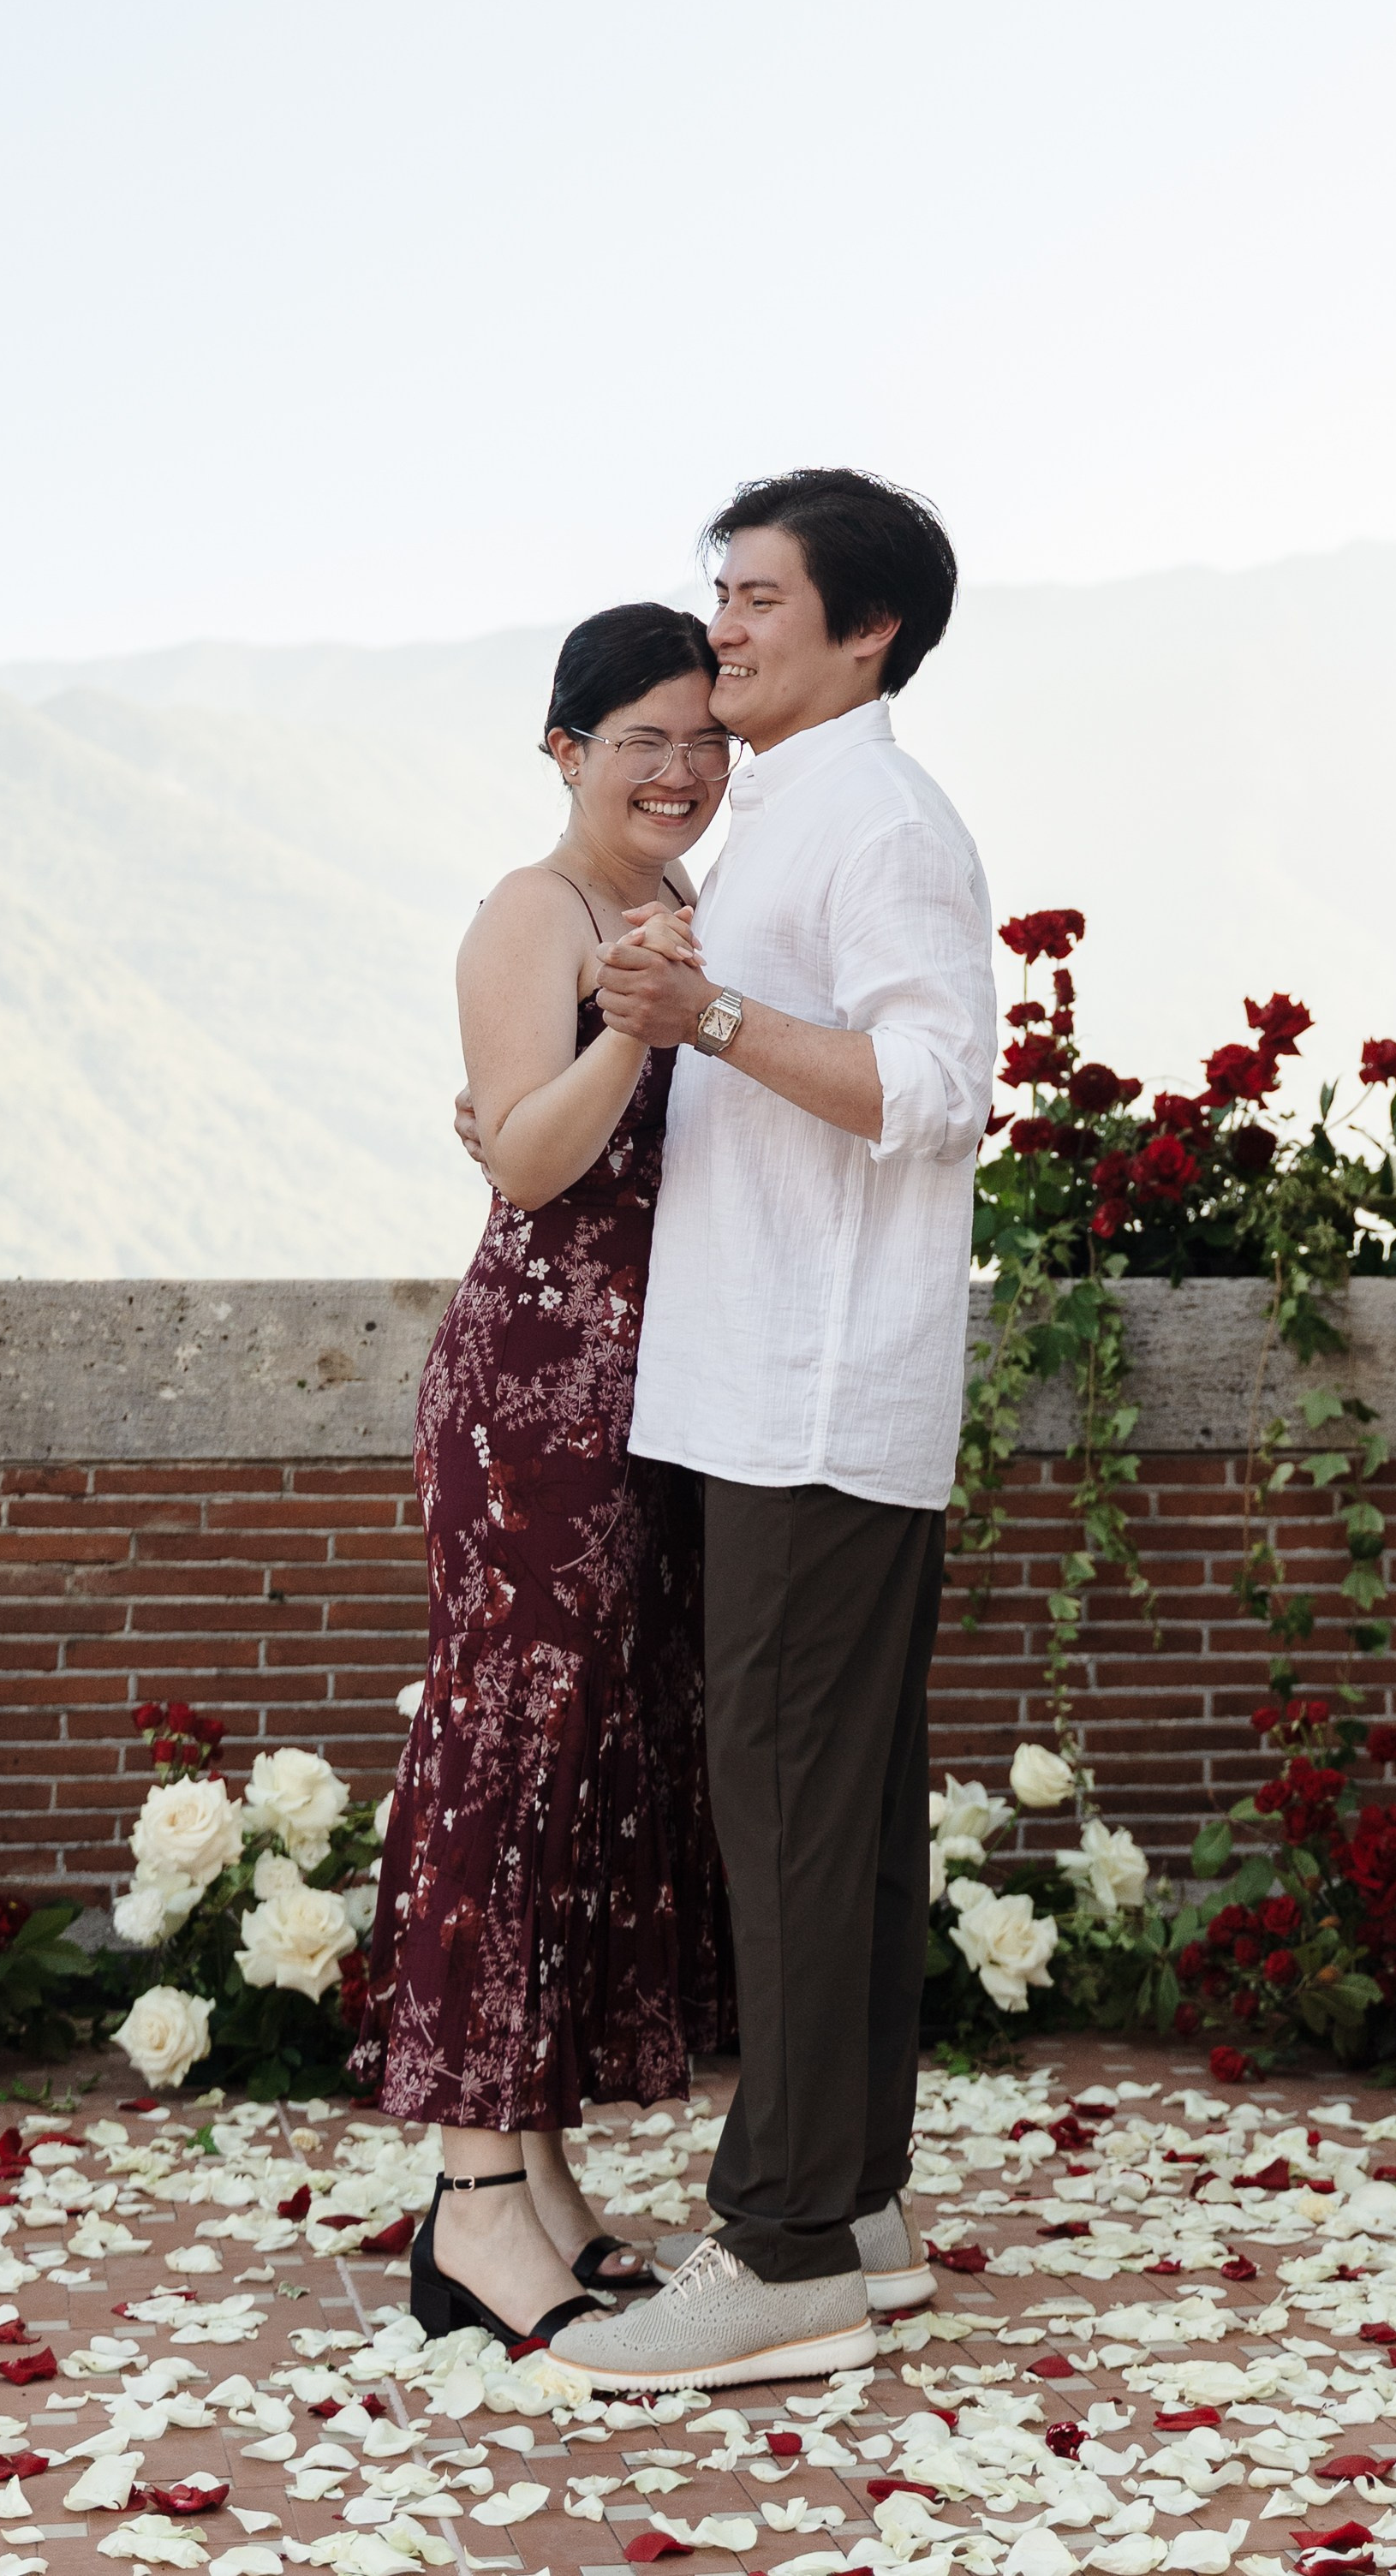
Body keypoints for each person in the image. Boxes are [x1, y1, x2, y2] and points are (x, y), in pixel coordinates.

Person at [549, 469, 996, 2394]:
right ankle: (859, 2201)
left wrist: (709, 1018)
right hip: (771, 1381)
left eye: (752, 598)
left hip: (813, 1390)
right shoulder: (799, 805)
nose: (717, 625)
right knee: (834, 1808)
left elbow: (934, 1087)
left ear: (862, 627)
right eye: (715, 592)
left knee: (792, 1809)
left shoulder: (877, 819)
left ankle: (787, 2238)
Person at [349, 600, 737, 2353]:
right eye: (641, 736)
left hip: (651, 1408)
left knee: (593, 1770)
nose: (679, 768)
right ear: (564, 747)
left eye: (703, 736)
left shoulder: (669, 916)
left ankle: (540, 2170)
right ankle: (472, 2196)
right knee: (508, 1767)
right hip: (533, 1404)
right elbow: (521, 1155)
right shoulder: (536, 911)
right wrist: (633, 1033)